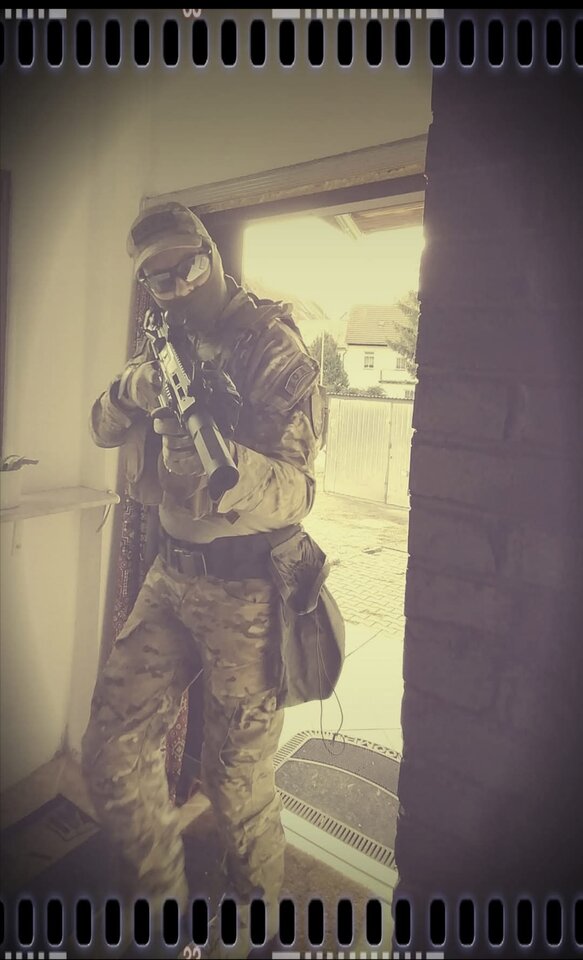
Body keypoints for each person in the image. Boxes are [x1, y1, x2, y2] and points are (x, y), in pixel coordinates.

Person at [81, 201, 327, 959]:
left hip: (246, 593)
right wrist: (132, 392)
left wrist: (231, 472)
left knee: (236, 785)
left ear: (211, 253)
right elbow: (100, 425)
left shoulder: (274, 349)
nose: (177, 286)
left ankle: (254, 935)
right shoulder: (163, 339)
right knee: (111, 749)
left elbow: (298, 492)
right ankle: (160, 918)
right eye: (157, 279)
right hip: (169, 576)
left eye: (186, 266)